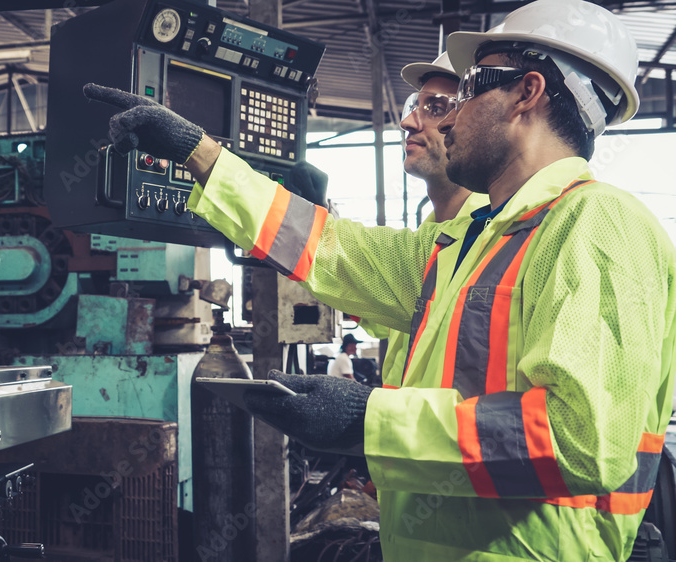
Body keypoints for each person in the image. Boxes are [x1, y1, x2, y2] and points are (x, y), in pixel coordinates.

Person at [82, 1, 676, 558]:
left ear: (528, 92)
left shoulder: (597, 224)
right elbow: (331, 250)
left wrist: (367, 419)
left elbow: (579, 439)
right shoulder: (469, 242)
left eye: (469, 89)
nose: (448, 116)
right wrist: (199, 153)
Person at [362, 52, 489, 389]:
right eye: (413, 106)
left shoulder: (491, 241)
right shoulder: (432, 239)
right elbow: (395, 318)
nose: (408, 122)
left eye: (434, 107)